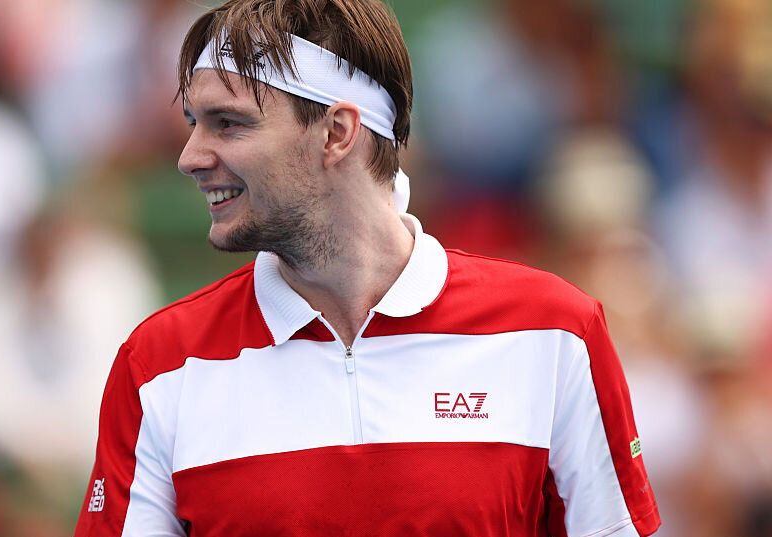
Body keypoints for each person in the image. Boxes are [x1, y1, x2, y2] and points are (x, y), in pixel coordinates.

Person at [73, 0, 660, 535]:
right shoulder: (158, 366)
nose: (190, 157)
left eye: (227, 123)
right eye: (193, 123)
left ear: (337, 133)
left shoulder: (556, 333)